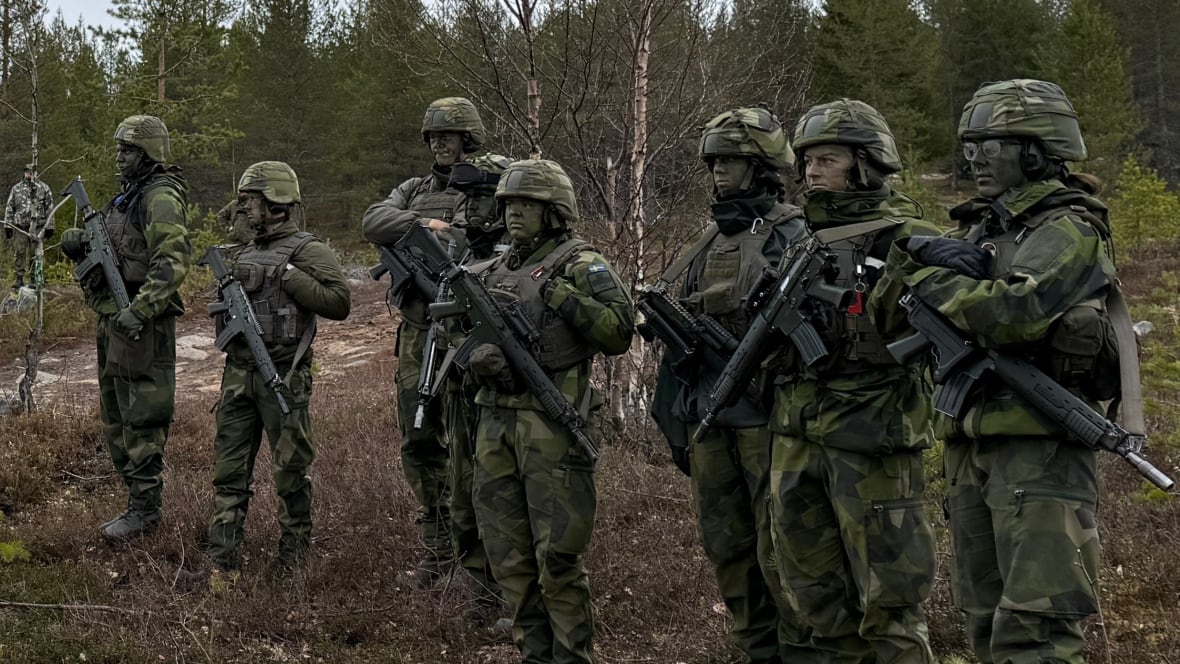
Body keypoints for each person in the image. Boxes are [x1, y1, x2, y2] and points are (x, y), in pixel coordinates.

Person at [889, 79, 1114, 664]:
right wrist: (925, 250)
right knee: (985, 624)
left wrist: (928, 277)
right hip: (974, 446)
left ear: (1037, 150)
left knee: (1036, 633)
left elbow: (1013, 312)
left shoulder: (1066, 228)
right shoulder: (986, 229)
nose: (976, 157)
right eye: (972, 144)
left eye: (993, 143)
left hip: (1037, 454)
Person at [766, 99, 941, 663]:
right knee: (815, 602)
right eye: (808, 160)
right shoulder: (800, 240)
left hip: (872, 441)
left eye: (829, 158)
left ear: (866, 164)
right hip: (797, 437)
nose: (813, 171)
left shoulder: (908, 237)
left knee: (889, 610)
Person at [650, 106, 817, 663]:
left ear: (763, 166)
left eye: (734, 161)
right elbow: (679, 348)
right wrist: (673, 412)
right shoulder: (703, 244)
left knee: (784, 553)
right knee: (728, 549)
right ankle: (756, 649)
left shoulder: (793, 233)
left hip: (769, 420)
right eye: (715, 161)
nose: (720, 172)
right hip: (710, 416)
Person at [468, 159, 633, 663]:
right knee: (508, 557)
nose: (515, 213)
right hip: (496, 424)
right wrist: (477, 355)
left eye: (528, 205)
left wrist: (560, 294)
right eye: (510, 204)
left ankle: (572, 656)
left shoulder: (581, 264)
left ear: (555, 211)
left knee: (557, 559)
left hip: (554, 426)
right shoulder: (495, 268)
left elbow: (619, 331)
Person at [360, 96, 505, 586]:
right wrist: (423, 224)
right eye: (433, 136)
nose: (440, 142)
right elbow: (374, 219)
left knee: (472, 445)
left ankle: (479, 560)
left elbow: (490, 239)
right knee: (419, 438)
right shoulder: (415, 188)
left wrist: (459, 229)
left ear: (470, 138)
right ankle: (439, 550)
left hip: (467, 330)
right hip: (419, 332)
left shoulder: (495, 180)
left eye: (450, 135)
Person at [202, 161, 350, 576]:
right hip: (238, 376)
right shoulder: (244, 251)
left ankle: (294, 559)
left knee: (290, 471)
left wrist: (289, 276)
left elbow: (340, 303)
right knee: (228, 472)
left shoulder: (308, 251)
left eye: (251, 201)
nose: (244, 208)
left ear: (276, 203)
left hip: (283, 378)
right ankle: (222, 560)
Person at [59, 115, 190, 539]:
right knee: (115, 415)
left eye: (128, 150)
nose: (120, 157)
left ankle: (146, 510)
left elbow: (171, 264)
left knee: (142, 417)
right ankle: (135, 503)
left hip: (140, 325)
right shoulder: (127, 197)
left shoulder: (161, 198)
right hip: (114, 318)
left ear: (149, 153)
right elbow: (115, 248)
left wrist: (141, 309)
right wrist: (78, 243)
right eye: (118, 149)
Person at [437, 153, 514, 622]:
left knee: (502, 499)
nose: (472, 208)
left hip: (502, 402)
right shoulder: (462, 254)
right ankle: (482, 595)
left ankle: (514, 595)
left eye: (483, 197)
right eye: (467, 198)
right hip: (460, 396)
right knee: (464, 495)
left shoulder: (517, 260)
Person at [3, 163, 54, 290]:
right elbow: (10, 207)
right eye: (27, 171)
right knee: (19, 252)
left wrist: (50, 226)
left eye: (31, 171)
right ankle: (19, 279)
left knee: (35, 253)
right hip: (20, 226)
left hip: (37, 226)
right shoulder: (16, 188)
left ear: (36, 173)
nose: (29, 173)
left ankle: (35, 279)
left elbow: (49, 207)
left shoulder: (44, 188)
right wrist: (7, 225)